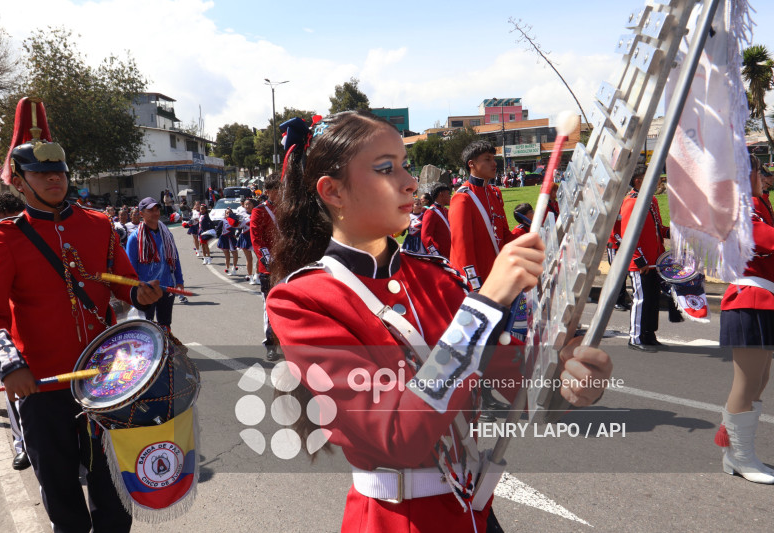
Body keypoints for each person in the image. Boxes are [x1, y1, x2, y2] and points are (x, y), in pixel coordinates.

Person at [266, 110, 612, 532]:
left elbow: (514, 387)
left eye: (404, 165)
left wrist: (569, 376)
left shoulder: (435, 276)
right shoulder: (301, 300)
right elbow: (398, 434)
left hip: (473, 512)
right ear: (333, 192)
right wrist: (486, 303)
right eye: (385, 169)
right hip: (395, 520)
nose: (410, 181)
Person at [0, 96, 162, 532]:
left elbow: (122, 282)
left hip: (106, 378)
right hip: (41, 383)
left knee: (113, 490)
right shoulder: (3, 238)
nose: (54, 178)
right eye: (41, 172)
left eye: (58, 171)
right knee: (60, 492)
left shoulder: (98, 224)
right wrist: (8, 364)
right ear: (20, 181)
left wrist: (143, 294)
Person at [714, 155, 774, 484]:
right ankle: (741, 457)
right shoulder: (743, 205)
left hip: (762, 299)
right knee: (747, 382)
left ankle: (734, 449)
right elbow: (764, 239)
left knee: (759, 380)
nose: (764, 177)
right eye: (759, 170)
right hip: (749, 298)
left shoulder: (756, 202)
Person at [0, 193, 31, 470]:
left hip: (30, 329)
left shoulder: (31, 238)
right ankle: (21, 444)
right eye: (7, 221)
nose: (15, 226)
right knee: (14, 393)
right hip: (1, 331)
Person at [449, 140, 514, 290]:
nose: (494, 163)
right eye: (487, 159)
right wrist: (473, 286)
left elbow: (504, 235)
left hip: (499, 276)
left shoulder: (494, 194)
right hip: (481, 282)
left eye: (493, 158)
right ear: (471, 164)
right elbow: (462, 250)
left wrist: (532, 233)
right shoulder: (463, 198)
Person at [619, 165, 669, 352]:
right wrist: (639, 260)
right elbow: (628, 235)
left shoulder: (651, 200)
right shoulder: (631, 203)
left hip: (654, 260)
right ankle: (635, 337)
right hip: (641, 262)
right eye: (653, 178)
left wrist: (674, 232)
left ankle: (649, 334)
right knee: (640, 299)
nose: (658, 182)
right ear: (639, 181)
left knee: (652, 299)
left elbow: (658, 228)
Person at [126, 197, 187, 323]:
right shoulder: (134, 238)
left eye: (157, 209)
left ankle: (165, 343)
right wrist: (135, 292)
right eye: (150, 210)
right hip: (145, 290)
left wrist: (179, 280)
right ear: (142, 214)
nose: (155, 213)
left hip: (167, 286)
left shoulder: (167, 234)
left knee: (165, 326)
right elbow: (130, 268)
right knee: (145, 327)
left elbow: (175, 258)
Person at [250, 174, 281, 361]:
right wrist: (270, 259)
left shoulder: (288, 209)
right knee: (269, 306)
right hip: (269, 268)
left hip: (289, 266)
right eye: (278, 191)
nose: (282, 194)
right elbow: (256, 239)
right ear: (268, 192)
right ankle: (270, 344)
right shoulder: (259, 212)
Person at [420, 183, 452, 258]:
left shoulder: (445, 210)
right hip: (441, 255)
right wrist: (435, 254)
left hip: (451, 252)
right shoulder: (431, 212)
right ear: (441, 194)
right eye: (448, 194)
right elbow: (425, 236)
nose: (450, 196)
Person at [238, 198, 258, 283]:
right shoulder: (242, 214)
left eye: (249, 204)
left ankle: (257, 276)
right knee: (249, 259)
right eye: (246, 204)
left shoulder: (258, 213)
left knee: (260, 258)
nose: (247, 206)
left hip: (256, 237)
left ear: (253, 205)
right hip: (245, 237)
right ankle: (250, 276)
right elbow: (238, 226)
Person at [217, 208, 240, 275]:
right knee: (227, 255)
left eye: (230, 213)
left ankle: (234, 267)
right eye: (227, 213)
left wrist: (237, 234)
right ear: (225, 214)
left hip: (232, 239)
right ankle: (228, 268)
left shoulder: (235, 221)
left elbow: (240, 228)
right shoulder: (223, 221)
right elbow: (217, 229)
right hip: (224, 239)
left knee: (235, 253)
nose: (228, 214)